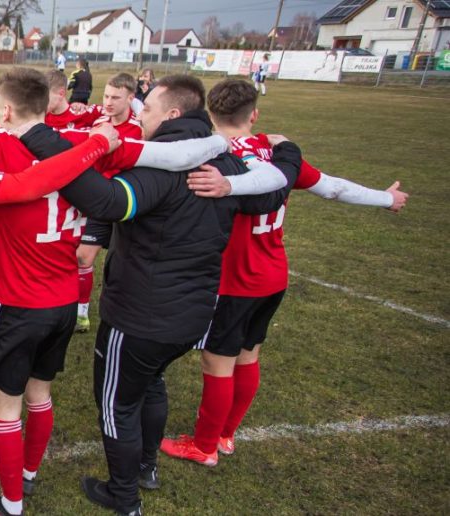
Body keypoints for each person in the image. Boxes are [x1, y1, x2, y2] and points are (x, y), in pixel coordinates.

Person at [0, 69, 234, 516]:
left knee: (5, 405)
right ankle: (30, 474)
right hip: (63, 300)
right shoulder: (74, 143)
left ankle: (12, 503)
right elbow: (161, 155)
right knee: (40, 394)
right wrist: (218, 145)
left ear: (6, 109)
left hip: (18, 301)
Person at [17, 74, 300, 516]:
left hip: (139, 317)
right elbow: (272, 192)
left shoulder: (162, 167)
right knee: (151, 384)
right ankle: (146, 465)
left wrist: (38, 139)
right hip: (192, 315)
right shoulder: (224, 165)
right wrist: (288, 152)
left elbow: (108, 202)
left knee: (117, 404)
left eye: (145, 108)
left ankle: (124, 495)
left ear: (171, 114)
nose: (138, 114)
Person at [159, 79, 409, 467]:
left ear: (210, 114)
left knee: (217, 363)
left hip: (232, 280)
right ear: (254, 114)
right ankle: (226, 435)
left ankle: (205, 445)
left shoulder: (212, 154)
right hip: (273, 274)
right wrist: (386, 198)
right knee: (248, 356)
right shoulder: (276, 153)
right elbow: (334, 188)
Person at [73, 73, 144, 334]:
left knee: (125, 263)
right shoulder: (99, 122)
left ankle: (125, 308)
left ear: (131, 98)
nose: (109, 102)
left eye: (115, 97)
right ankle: (81, 312)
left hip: (130, 202)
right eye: (106, 96)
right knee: (83, 256)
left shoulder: (141, 127)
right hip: (100, 200)